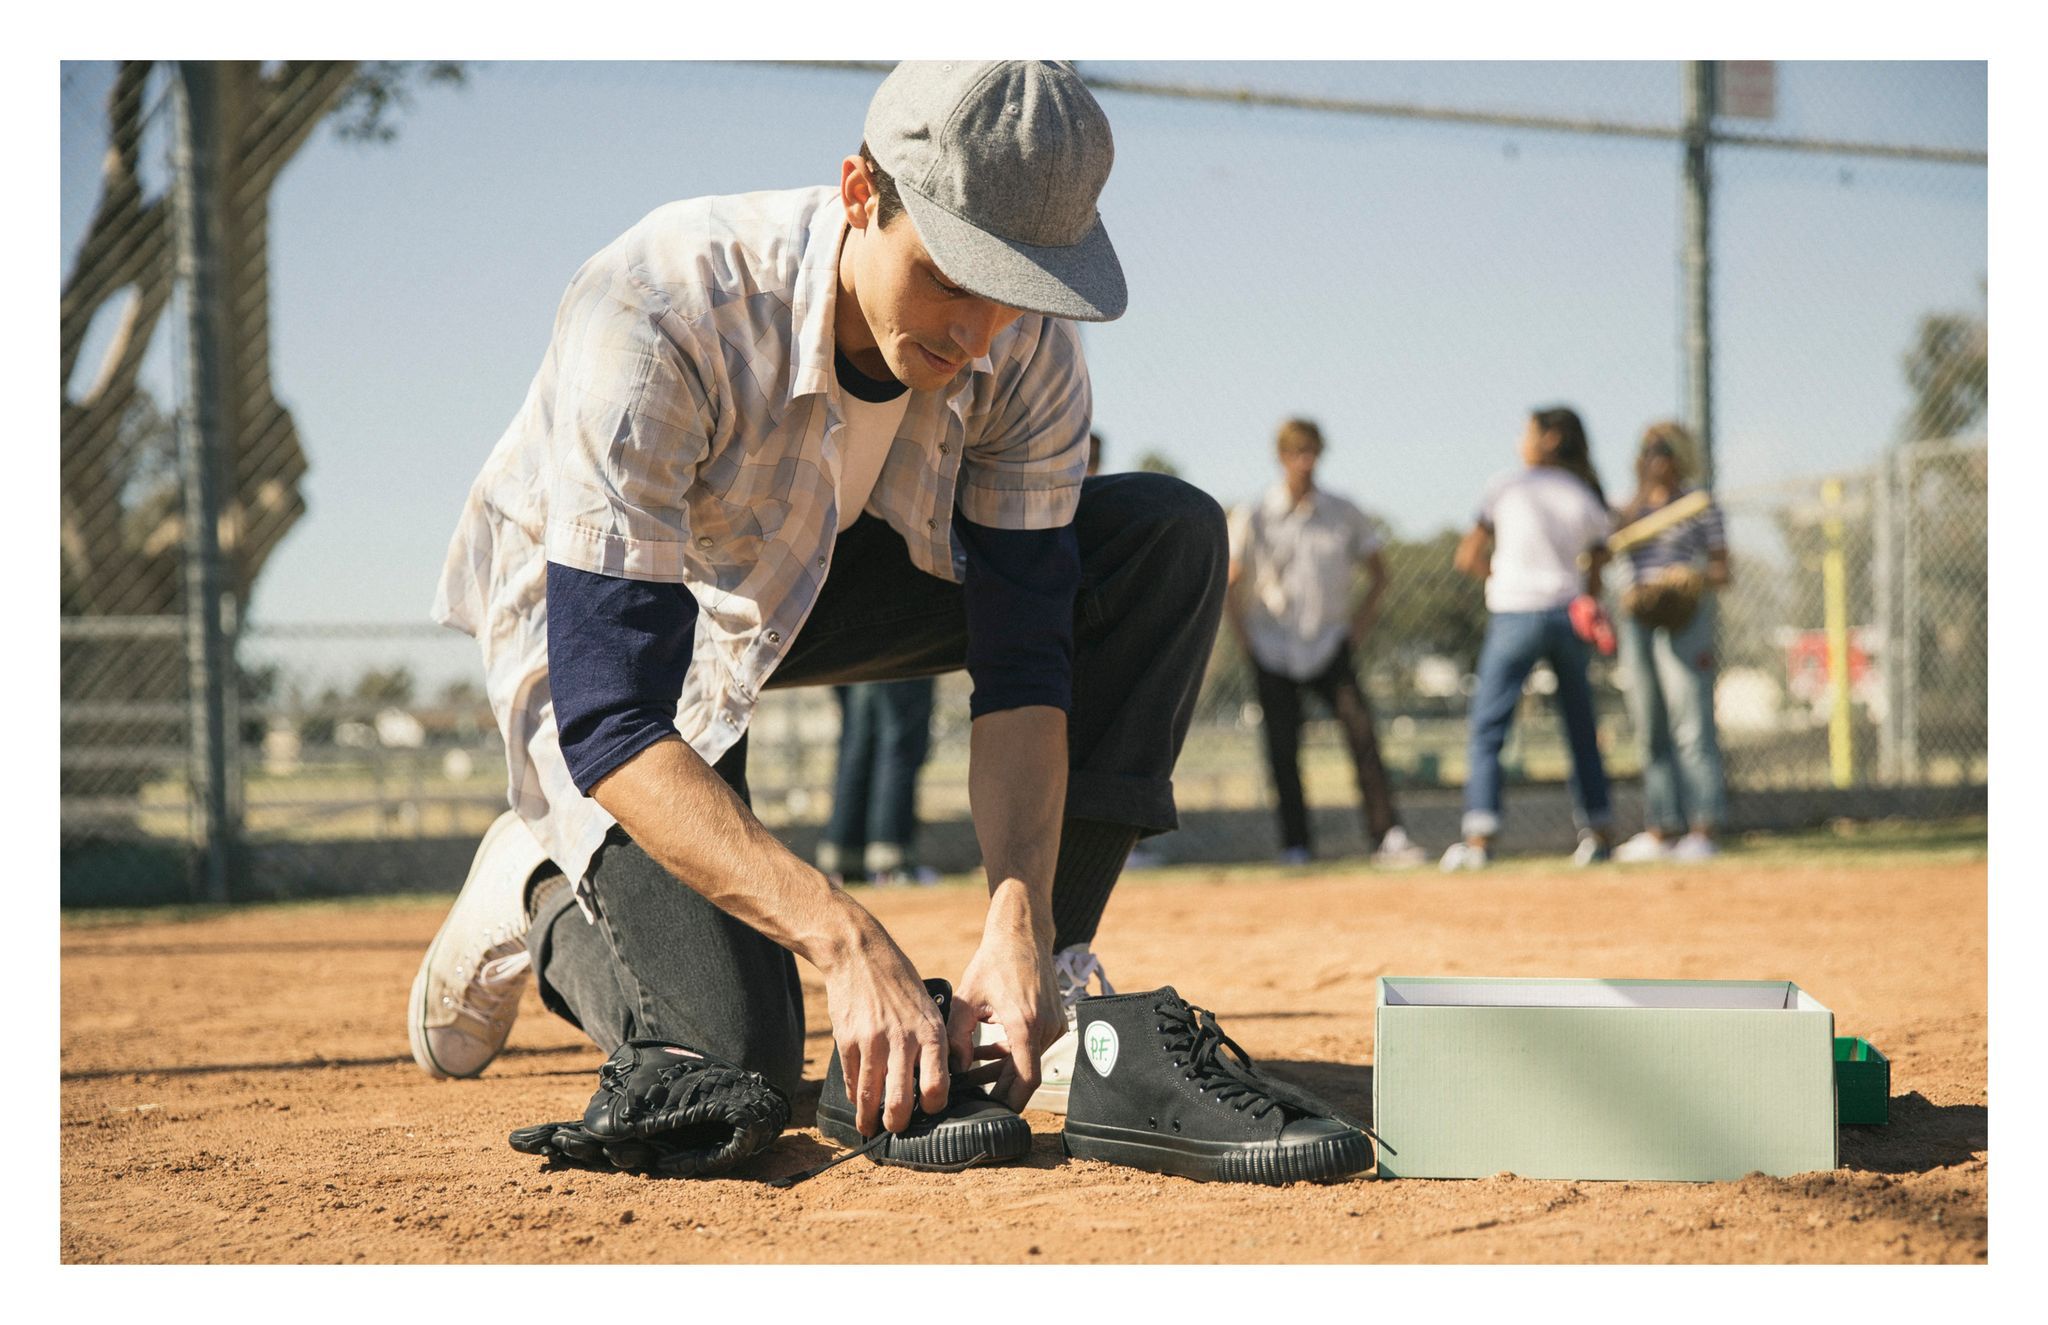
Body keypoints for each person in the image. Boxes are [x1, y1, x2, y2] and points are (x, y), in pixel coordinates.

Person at [409, 62, 1227, 1153]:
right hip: (631, 617)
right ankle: (538, 885)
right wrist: (842, 937)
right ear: (858, 194)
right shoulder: (659, 309)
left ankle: (1026, 985)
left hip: (832, 572)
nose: (979, 332)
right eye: (950, 276)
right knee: (734, 1064)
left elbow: (1028, 662)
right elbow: (609, 715)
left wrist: (1017, 907)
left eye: (1015, 290)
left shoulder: (1021, 343)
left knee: (1161, 539)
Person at [1226, 418, 1426, 868]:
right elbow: (1229, 583)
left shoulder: (1342, 511)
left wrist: (1358, 625)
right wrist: (1245, 641)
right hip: (1273, 647)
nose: (1306, 461)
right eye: (1297, 452)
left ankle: (1387, 836)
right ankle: (1296, 844)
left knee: (1362, 737)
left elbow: (1379, 573)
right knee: (1282, 749)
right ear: (1281, 458)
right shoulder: (1253, 514)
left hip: (1330, 644)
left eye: (1313, 451)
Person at [1441, 406, 1616, 870]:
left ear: (1551, 438)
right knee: (1581, 728)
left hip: (1515, 614)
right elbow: (1599, 564)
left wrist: (1498, 575)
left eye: (1528, 431)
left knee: (1488, 728)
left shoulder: (1505, 486)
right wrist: (1588, 600)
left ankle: (1480, 838)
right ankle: (1598, 831)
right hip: (1566, 616)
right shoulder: (1585, 493)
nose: (1521, 439)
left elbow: (1468, 556)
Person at [1609, 421, 1732, 862]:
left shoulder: (1699, 504)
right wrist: (1640, 496)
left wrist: (1693, 576)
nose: (1653, 457)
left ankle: (1704, 827)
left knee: (1692, 724)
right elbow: (1605, 549)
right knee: (1649, 728)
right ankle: (1661, 828)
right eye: (1646, 450)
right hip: (1638, 616)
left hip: (1684, 616)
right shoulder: (1627, 509)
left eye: (1662, 449)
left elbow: (1723, 569)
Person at [817, 677, 939, 886]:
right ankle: (891, 860)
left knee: (858, 737)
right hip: (900, 649)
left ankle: (845, 857)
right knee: (899, 740)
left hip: (845, 650)